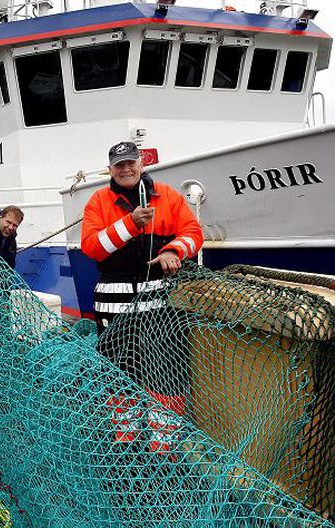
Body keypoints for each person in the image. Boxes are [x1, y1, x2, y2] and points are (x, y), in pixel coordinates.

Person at [80, 141, 203, 456]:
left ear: (141, 164)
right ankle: (127, 439)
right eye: (119, 165)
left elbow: (193, 233)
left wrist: (173, 250)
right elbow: (92, 247)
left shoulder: (167, 195)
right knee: (120, 372)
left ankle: (164, 444)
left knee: (168, 372)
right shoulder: (98, 201)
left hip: (161, 306)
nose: (125, 169)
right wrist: (130, 224)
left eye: (130, 162)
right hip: (114, 307)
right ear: (111, 170)